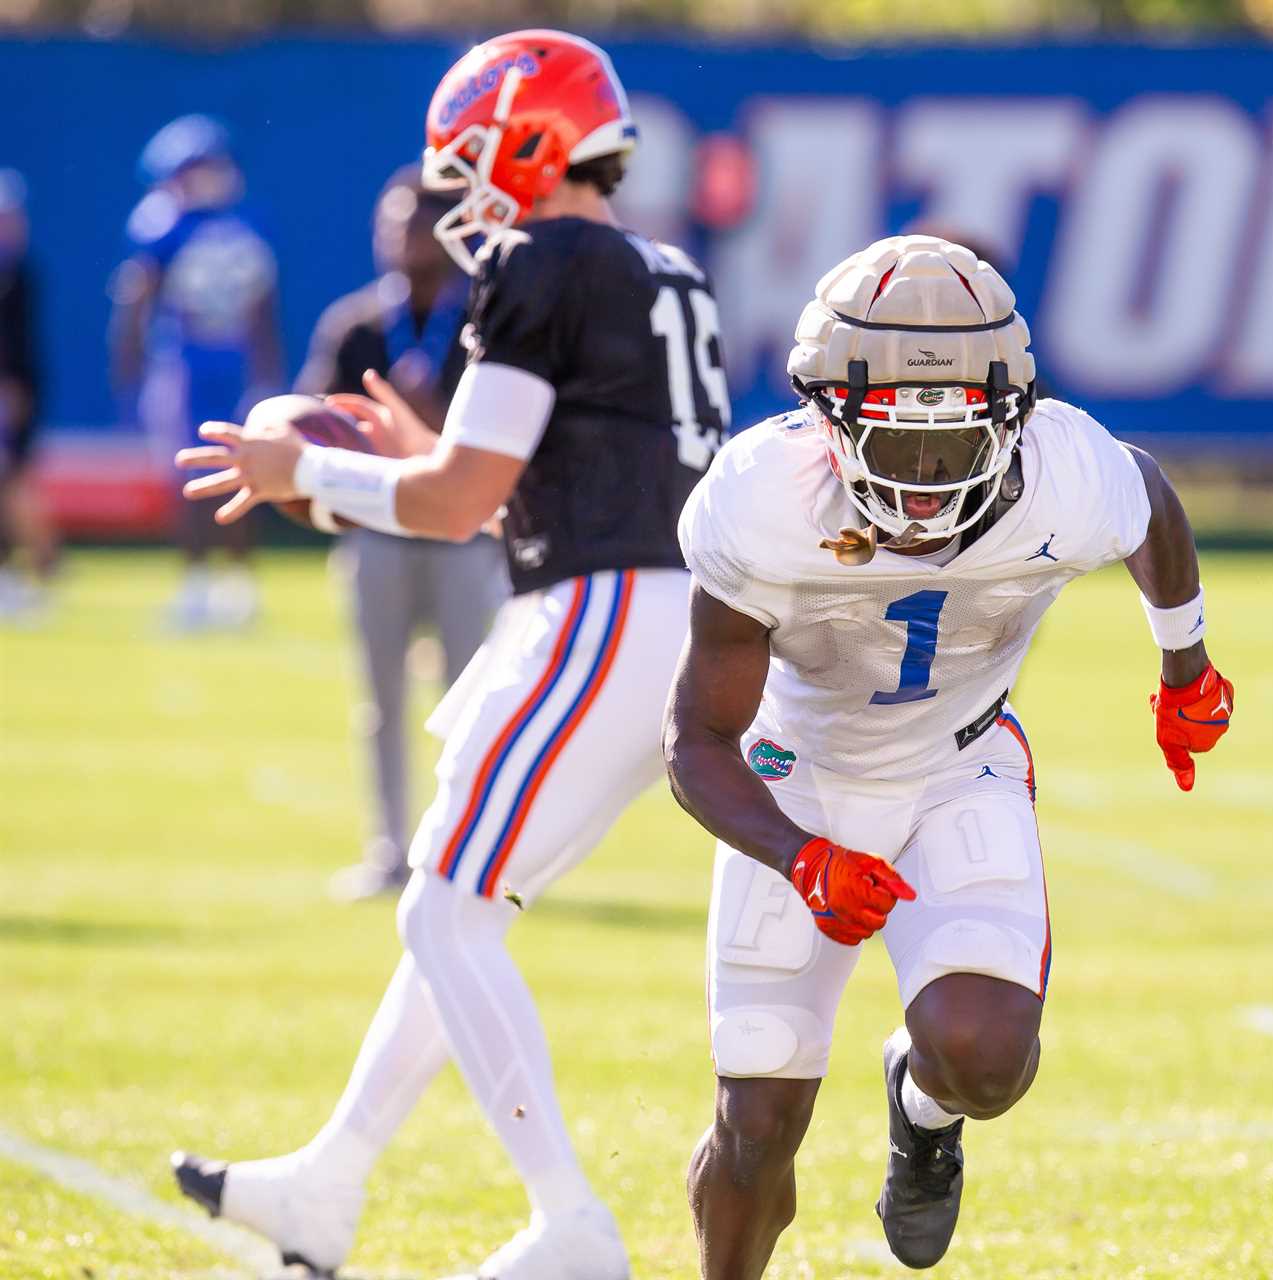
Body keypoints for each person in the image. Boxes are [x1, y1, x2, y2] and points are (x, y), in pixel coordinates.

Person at [169, 30, 729, 1278]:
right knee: (455, 907)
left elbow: (452, 496)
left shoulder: (538, 257)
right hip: (664, 612)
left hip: (596, 611)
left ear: (526, 141)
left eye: (467, 156)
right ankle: (327, 1179)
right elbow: (508, 483)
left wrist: (301, 469)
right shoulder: (663, 267)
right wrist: (403, 455)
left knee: (441, 907)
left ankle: (569, 1222)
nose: (452, 188)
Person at [662, 235, 1234, 1278]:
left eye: (953, 443)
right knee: (755, 1121)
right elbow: (694, 743)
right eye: (897, 444)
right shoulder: (761, 499)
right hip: (795, 772)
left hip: (956, 764)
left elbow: (1146, 497)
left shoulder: (1064, 470)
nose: (923, 483)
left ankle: (920, 1112)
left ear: (1012, 415)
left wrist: (1184, 661)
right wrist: (799, 856)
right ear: (824, 416)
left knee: (982, 1058)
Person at [295, 166, 509, 901]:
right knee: (380, 698)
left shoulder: (487, 318)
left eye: (414, 223)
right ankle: (389, 851)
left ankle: (468, 852)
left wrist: (434, 415)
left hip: (462, 530)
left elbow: (501, 428)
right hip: (379, 529)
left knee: (469, 696)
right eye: (389, 223)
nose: (399, 237)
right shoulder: (356, 323)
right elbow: (311, 417)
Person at [109, 114, 283, 630]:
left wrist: (129, 365)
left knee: (225, 474)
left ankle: (221, 583)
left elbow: (136, 303)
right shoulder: (240, 224)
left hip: (197, 363)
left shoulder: (173, 226)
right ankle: (215, 583)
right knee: (205, 476)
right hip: (202, 365)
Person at [0, 169, 57, 618]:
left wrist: (12, 393)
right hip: (13, 388)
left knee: (14, 485)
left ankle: (43, 566)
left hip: (11, 392)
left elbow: (16, 346)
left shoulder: (17, 274)